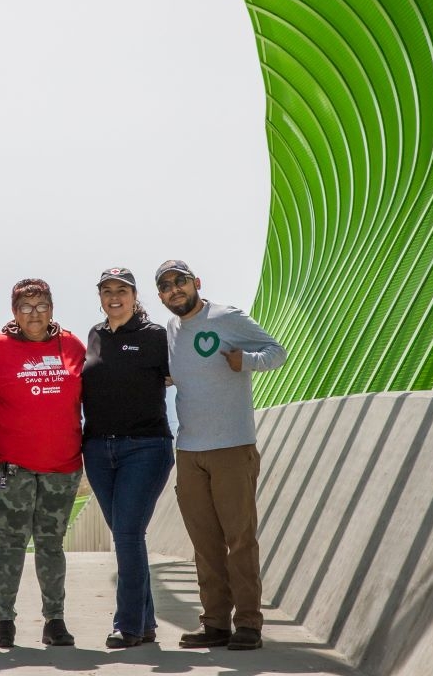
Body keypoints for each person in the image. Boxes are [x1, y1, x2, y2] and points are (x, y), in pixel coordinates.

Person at [157, 259, 287, 652]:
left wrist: (246, 361)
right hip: (190, 449)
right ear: (161, 296)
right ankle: (214, 623)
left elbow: (277, 352)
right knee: (205, 543)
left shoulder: (225, 316)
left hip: (232, 446)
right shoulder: (171, 330)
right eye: (165, 286)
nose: (174, 289)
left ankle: (248, 622)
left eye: (180, 281)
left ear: (196, 282)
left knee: (240, 539)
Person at [0, 278, 85, 649]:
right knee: (11, 543)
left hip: (63, 465)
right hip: (11, 466)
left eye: (41, 305)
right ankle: (4, 621)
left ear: (52, 308)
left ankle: (54, 620)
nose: (34, 313)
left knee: (51, 544)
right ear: (14, 313)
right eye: (25, 307)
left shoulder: (72, 345)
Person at [80, 267, 174, 648]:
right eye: (107, 290)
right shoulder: (95, 335)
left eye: (122, 290)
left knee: (127, 535)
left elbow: (181, 376)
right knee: (127, 536)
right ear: (99, 296)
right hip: (99, 450)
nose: (114, 297)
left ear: (136, 296)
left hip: (145, 447)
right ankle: (145, 622)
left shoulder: (155, 337)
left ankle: (128, 625)